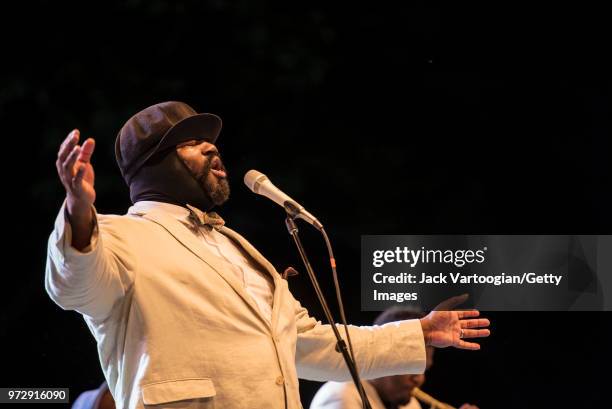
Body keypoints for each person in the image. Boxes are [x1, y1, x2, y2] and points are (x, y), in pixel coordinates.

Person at [45, 101, 490, 409]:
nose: (212, 148)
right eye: (190, 143)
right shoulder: (122, 236)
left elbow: (317, 345)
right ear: (152, 166)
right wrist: (79, 209)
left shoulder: (239, 250)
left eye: (210, 140)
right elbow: (74, 283)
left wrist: (417, 334)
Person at [310, 307, 480, 409]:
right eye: (411, 369)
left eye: (422, 369)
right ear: (385, 355)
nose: (419, 379)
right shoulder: (340, 397)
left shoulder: (409, 404)